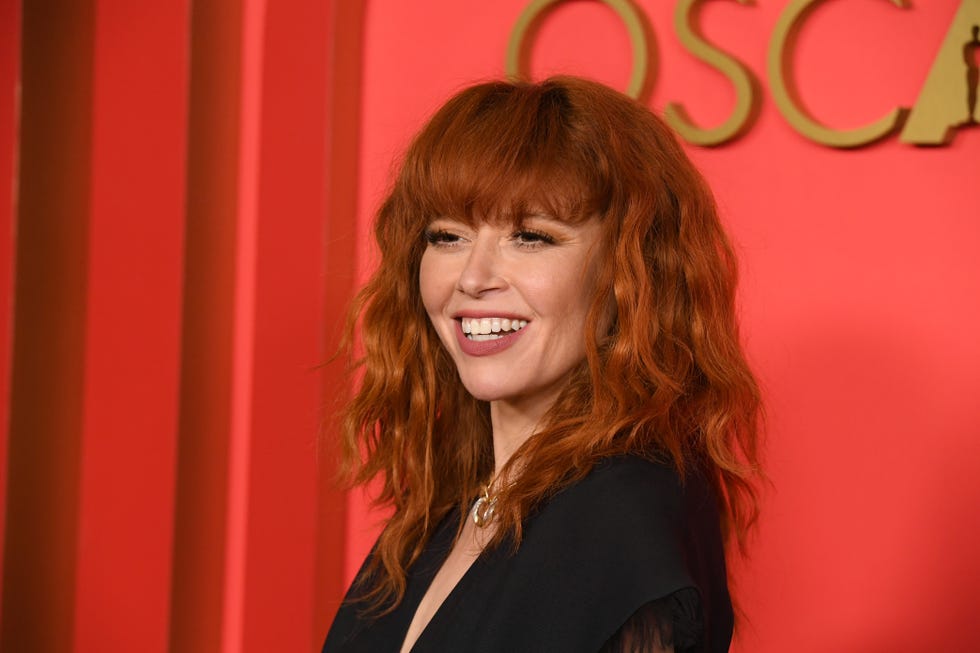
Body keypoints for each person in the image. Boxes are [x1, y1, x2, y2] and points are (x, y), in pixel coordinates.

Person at [322, 76, 763, 653]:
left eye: (530, 237)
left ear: (633, 273)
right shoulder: (452, 506)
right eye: (448, 236)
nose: (473, 278)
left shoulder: (621, 520)